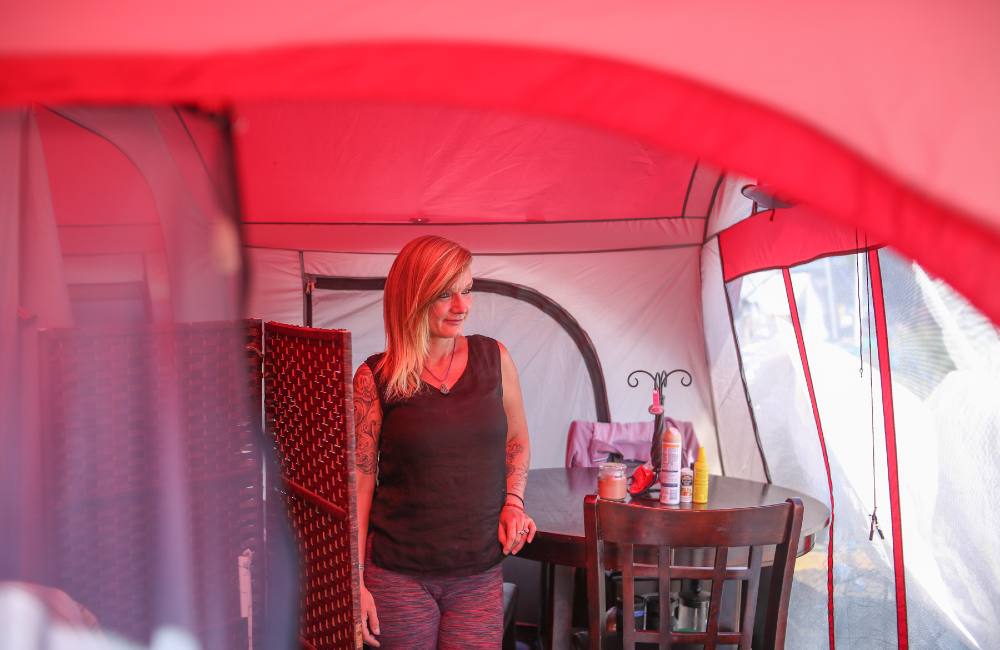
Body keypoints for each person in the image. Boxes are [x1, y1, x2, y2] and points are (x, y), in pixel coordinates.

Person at [352, 235, 536, 649]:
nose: (462, 306)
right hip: (397, 576)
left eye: (467, 290)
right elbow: (358, 487)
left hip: (478, 575)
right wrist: (353, 580)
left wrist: (514, 502)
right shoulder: (375, 378)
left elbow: (518, 438)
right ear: (412, 297)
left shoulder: (495, 358)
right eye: (445, 294)